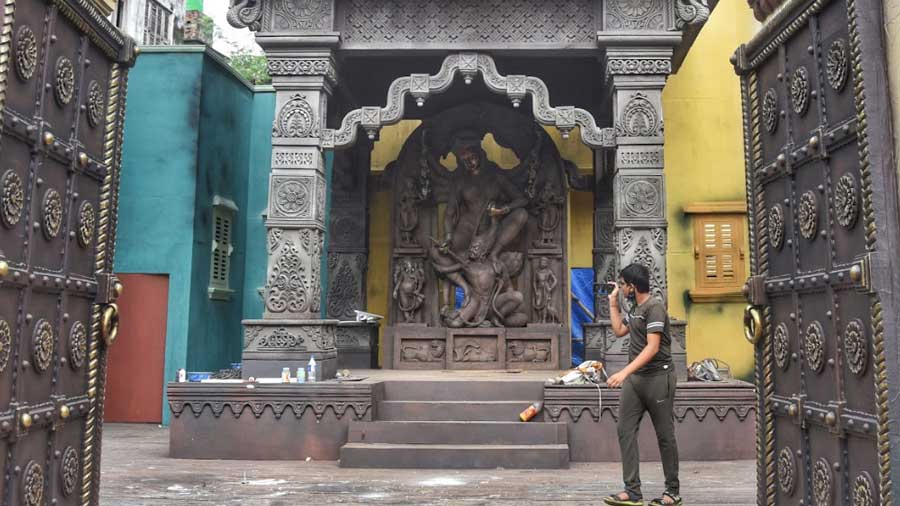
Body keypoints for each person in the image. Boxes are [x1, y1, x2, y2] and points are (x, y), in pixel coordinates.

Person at [603, 263, 681, 506]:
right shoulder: (636, 308)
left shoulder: (654, 308)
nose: (622, 287)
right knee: (624, 430)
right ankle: (633, 491)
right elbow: (618, 330)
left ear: (632, 287)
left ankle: (672, 492)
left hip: (659, 378)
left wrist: (623, 372)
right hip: (636, 382)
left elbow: (653, 347)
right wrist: (613, 302)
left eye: (623, 284)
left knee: (665, 435)